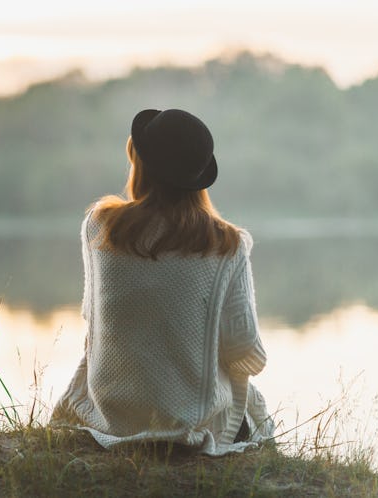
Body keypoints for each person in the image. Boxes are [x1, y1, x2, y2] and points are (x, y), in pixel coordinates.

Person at [50, 109, 274, 455]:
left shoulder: (100, 227)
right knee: (251, 407)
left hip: (112, 414)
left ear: (141, 168)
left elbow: (92, 321)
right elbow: (245, 351)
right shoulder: (228, 245)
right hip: (187, 427)